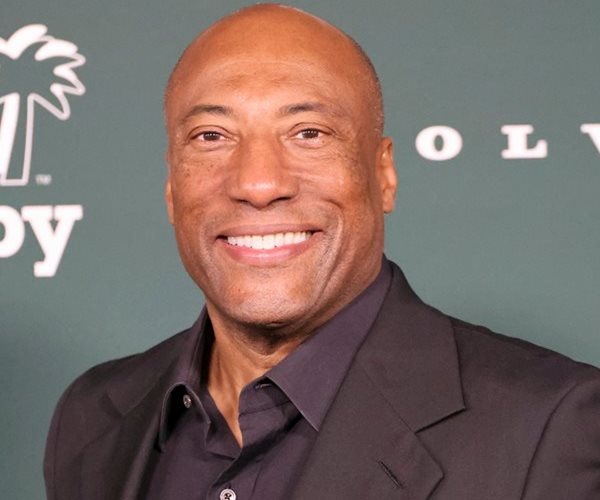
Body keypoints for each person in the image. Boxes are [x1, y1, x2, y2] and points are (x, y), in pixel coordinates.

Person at [44, 4, 600, 499]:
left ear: (383, 174)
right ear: (171, 188)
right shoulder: (93, 416)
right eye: (212, 136)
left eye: (308, 133)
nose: (258, 184)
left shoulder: (549, 426)